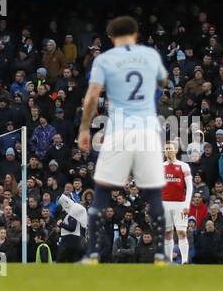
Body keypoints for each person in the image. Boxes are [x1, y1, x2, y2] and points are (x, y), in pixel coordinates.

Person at [78, 15, 169, 264]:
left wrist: (85, 129)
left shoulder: (105, 60)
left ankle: (93, 254)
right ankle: (161, 254)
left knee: (102, 190)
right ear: (136, 35)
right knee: (153, 193)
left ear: (110, 38)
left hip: (120, 131)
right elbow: (163, 81)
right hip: (148, 131)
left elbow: (92, 96)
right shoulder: (150, 56)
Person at [161, 140, 193, 264]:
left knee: (181, 232)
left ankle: (184, 261)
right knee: (167, 233)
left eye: (170, 148)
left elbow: (189, 187)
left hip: (180, 204)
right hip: (164, 204)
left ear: (175, 150)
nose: (168, 151)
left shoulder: (183, 166)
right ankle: (168, 261)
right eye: (166, 149)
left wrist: (186, 204)